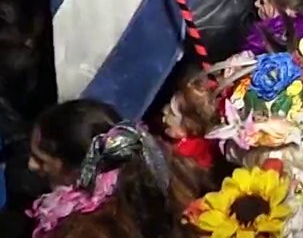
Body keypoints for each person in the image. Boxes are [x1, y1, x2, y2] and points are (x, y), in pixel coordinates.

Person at [26, 100, 207, 238]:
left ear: (78, 169)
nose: (31, 166)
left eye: (41, 160)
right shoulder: (165, 175)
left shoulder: (84, 230)